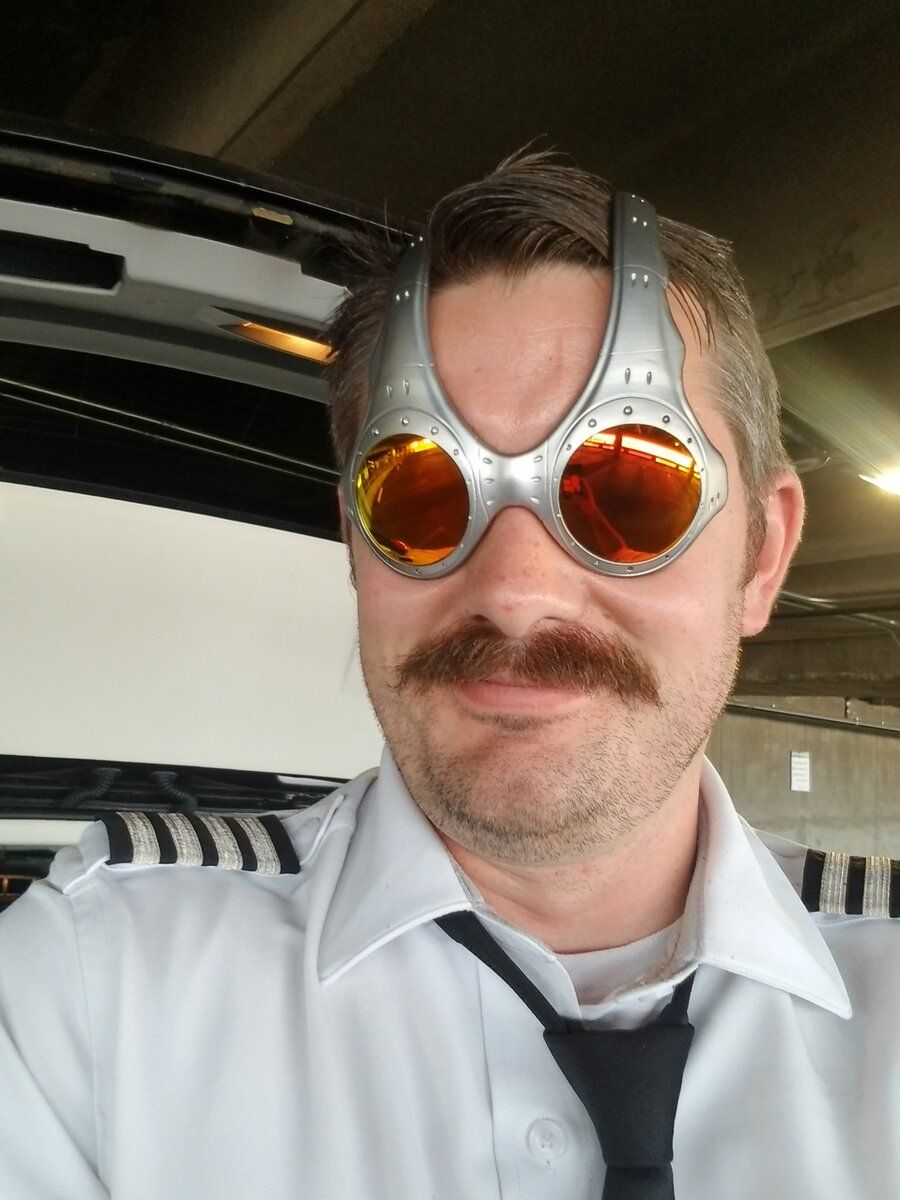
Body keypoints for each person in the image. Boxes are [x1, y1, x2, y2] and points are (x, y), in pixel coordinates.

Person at [0, 152, 895, 1200]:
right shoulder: (94, 986)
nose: (515, 592)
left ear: (762, 554)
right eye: (420, 493)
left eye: (628, 490)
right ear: (357, 543)